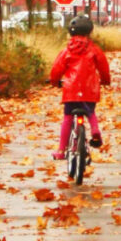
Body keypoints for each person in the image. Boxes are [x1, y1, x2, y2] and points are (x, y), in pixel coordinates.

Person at [49, 14, 111, 160]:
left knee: (68, 118)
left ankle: (61, 151)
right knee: (90, 112)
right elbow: (103, 67)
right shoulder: (94, 50)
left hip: (71, 91)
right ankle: (95, 130)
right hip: (90, 90)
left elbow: (57, 68)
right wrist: (105, 81)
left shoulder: (67, 51)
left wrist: (54, 81)